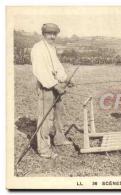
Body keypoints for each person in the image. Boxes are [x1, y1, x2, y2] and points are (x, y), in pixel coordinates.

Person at [31, 23, 72, 159]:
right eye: (49, 33)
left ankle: (59, 139)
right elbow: (40, 71)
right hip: (46, 87)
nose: (52, 36)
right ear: (43, 34)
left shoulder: (52, 48)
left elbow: (57, 66)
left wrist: (65, 79)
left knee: (59, 113)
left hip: (56, 85)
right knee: (45, 117)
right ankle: (43, 149)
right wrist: (55, 85)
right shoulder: (37, 48)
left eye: (55, 34)